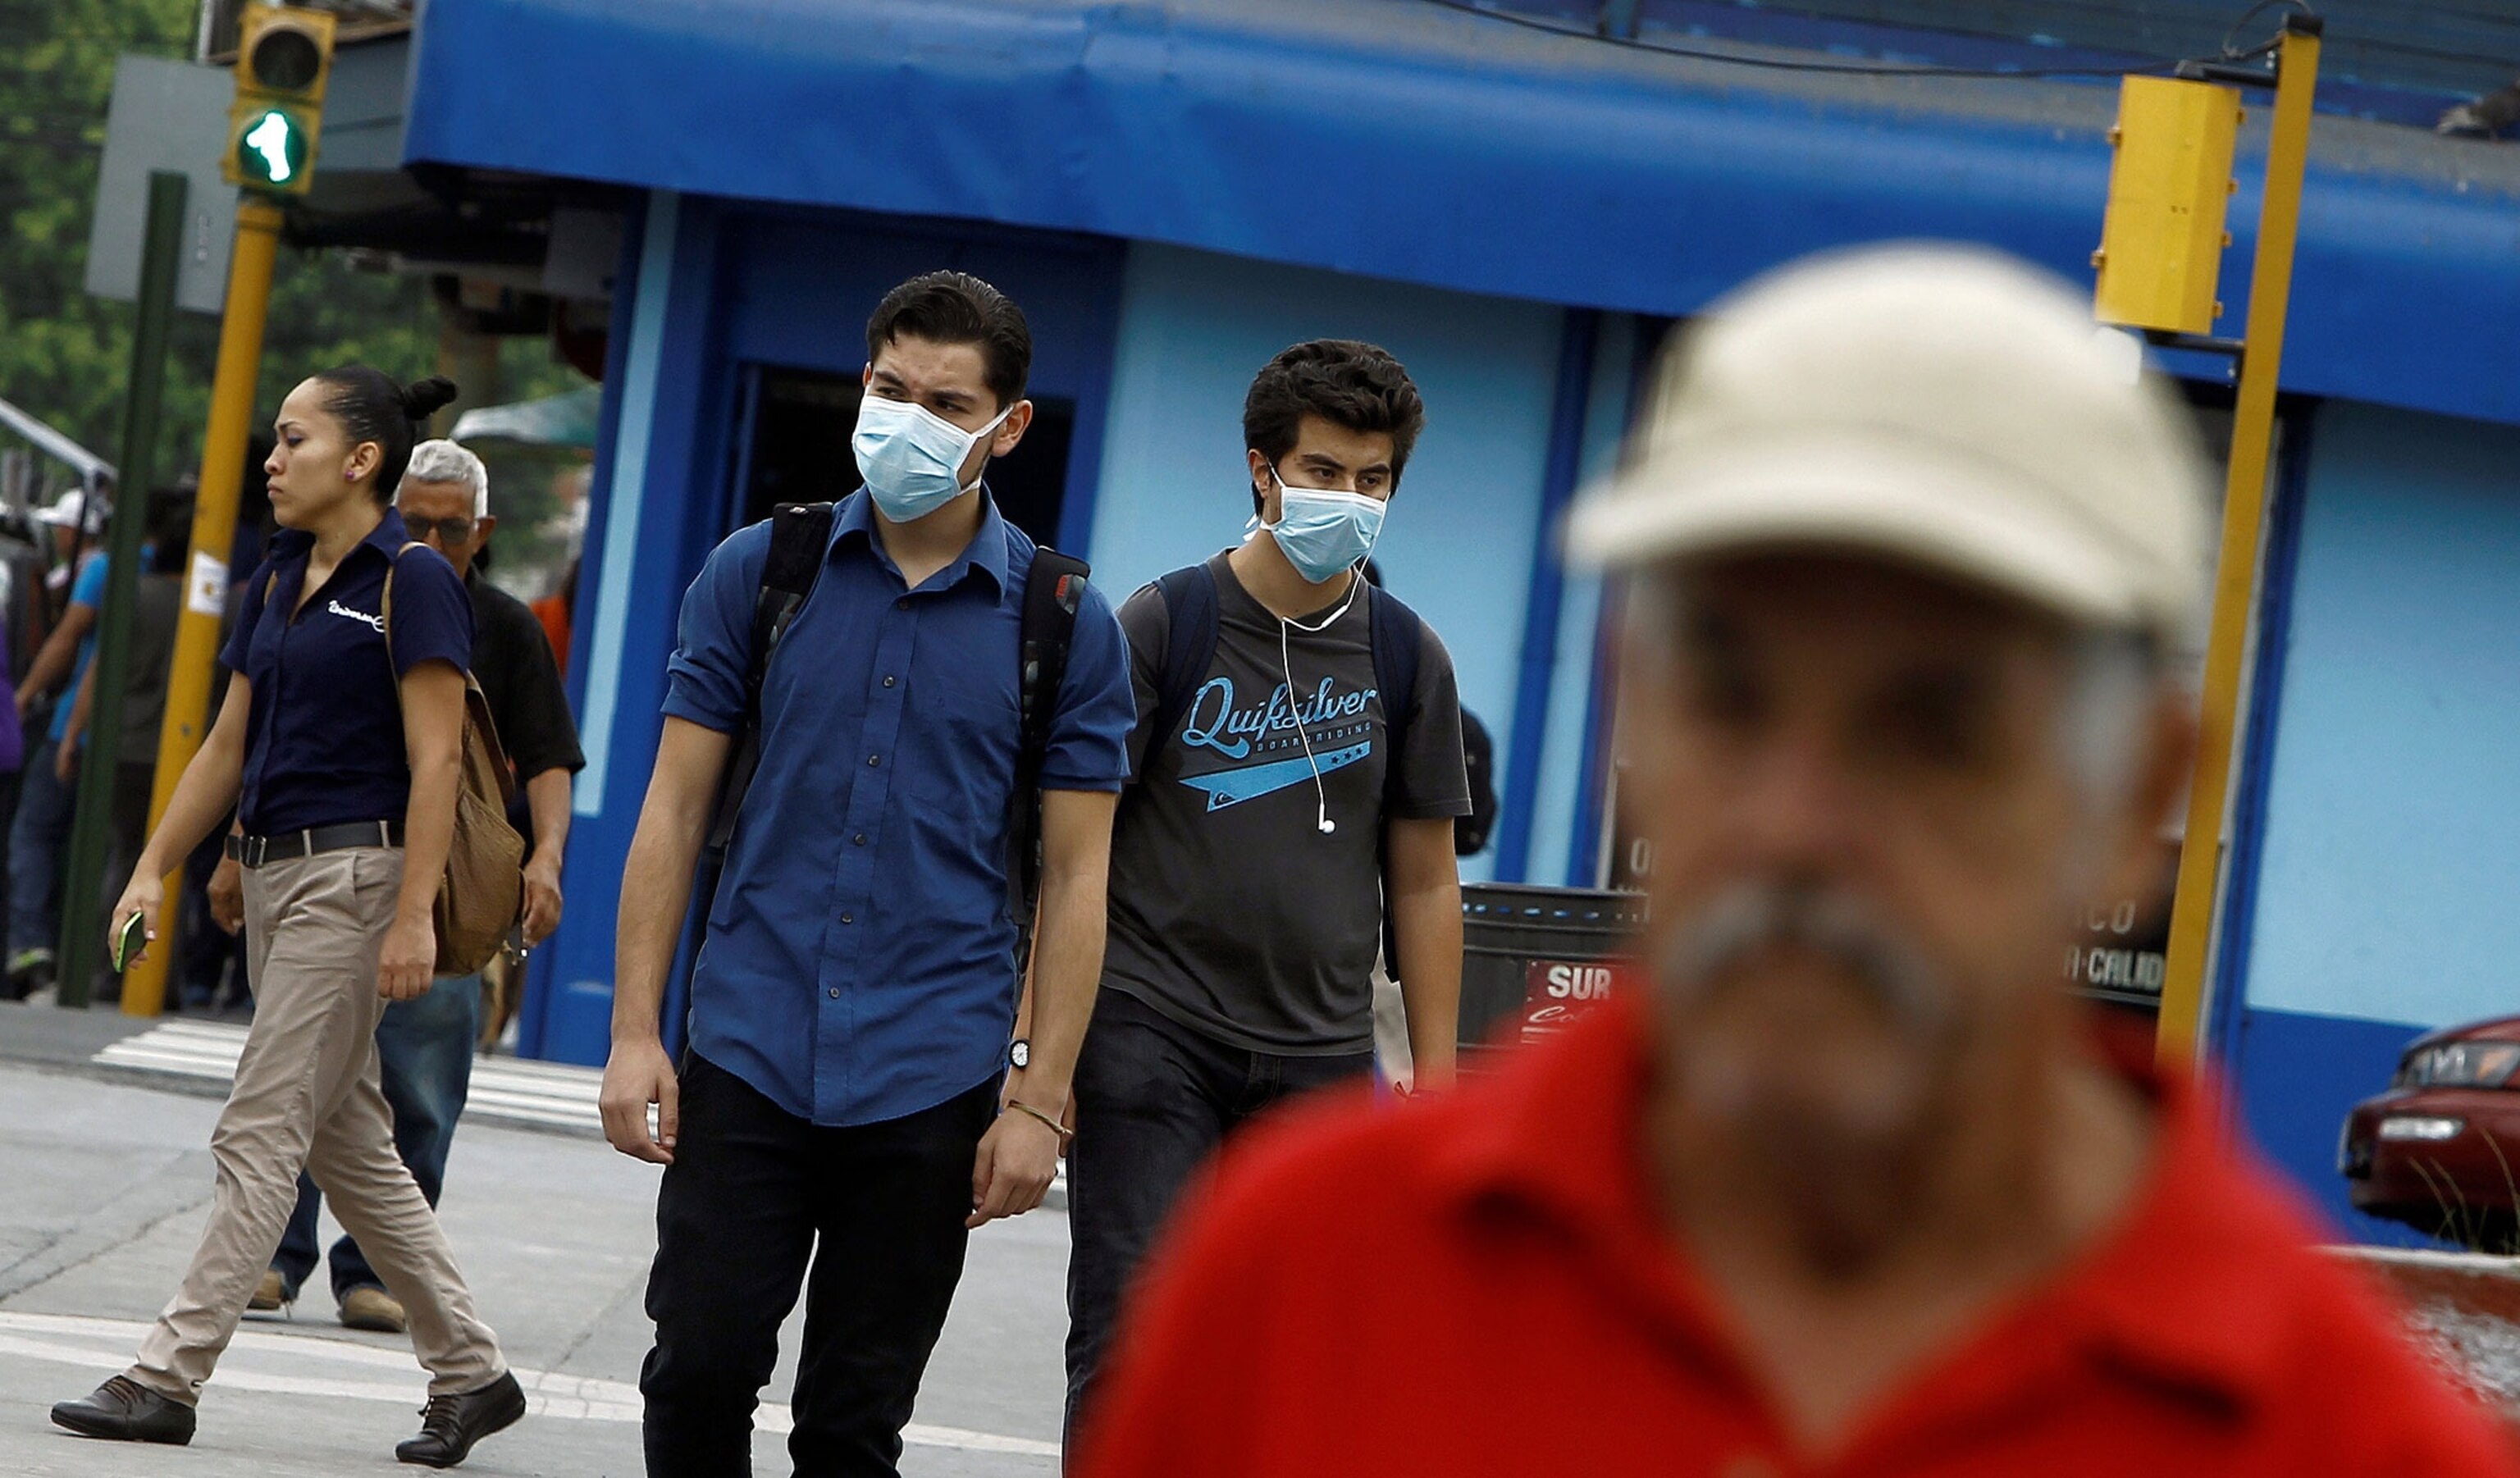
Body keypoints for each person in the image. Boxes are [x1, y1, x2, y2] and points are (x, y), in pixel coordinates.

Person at [1075, 247, 2520, 1476]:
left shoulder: (2329, 1437)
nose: (1797, 819)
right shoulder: (1311, 1276)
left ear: (2141, 796)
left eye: (1935, 729)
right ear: (1635, 700)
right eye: (1733, 694)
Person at [598, 270, 1135, 1477]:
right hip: (748, 1043)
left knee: (852, 1421)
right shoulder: (760, 571)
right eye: (891, 388)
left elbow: (1077, 875)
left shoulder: (1062, 621)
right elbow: (673, 808)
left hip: (932, 1070)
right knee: (696, 1364)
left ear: (1009, 428)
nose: (909, 418)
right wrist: (638, 1031)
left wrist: (1041, 1096)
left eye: (948, 403)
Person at [51, 367, 524, 1467]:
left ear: (362, 459)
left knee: (259, 1124)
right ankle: (474, 1369)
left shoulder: (412, 579)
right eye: (274, 439)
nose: (272, 457)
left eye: (293, 438)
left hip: (355, 882)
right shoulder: (278, 576)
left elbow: (437, 756)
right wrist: (165, 863)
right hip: (274, 875)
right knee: (348, 1139)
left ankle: (166, 1374)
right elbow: (229, 741)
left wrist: (414, 916)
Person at [1061, 340, 1469, 1439]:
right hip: (1153, 1033)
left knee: (1293, 1360)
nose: (1348, 498)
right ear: (1262, 470)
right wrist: (1042, 1063)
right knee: (1131, 1335)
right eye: (1324, 471)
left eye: (1372, 479)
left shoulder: (1405, 655)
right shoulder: (1167, 621)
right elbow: (1074, 849)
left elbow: (1428, 883)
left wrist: (1437, 1079)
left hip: (1321, 1058)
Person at [253, 438, 582, 1330]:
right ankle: (271, 1252)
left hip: (442, 889)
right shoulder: (342, 596)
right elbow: (267, 734)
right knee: (294, 1069)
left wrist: (546, 858)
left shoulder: (504, 626)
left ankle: (377, 1268)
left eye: (454, 528)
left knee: (423, 1085)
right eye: (420, 522)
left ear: (485, 531)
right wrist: (228, 852)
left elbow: (550, 755)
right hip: (325, 863)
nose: (434, 541)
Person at [66, 488, 194, 1002]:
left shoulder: (134, 596)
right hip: (181, 754)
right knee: (172, 865)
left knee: (124, 859)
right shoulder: (205, 606)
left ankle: (109, 967)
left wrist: (73, 730)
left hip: (125, 743)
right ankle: (163, 975)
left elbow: (100, 668)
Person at [8, 490, 109, 996]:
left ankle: (31, 941)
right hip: (137, 737)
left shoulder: (104, 569)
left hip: (77, 724)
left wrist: (25, 698)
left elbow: (71, 642)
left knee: (34, 833)